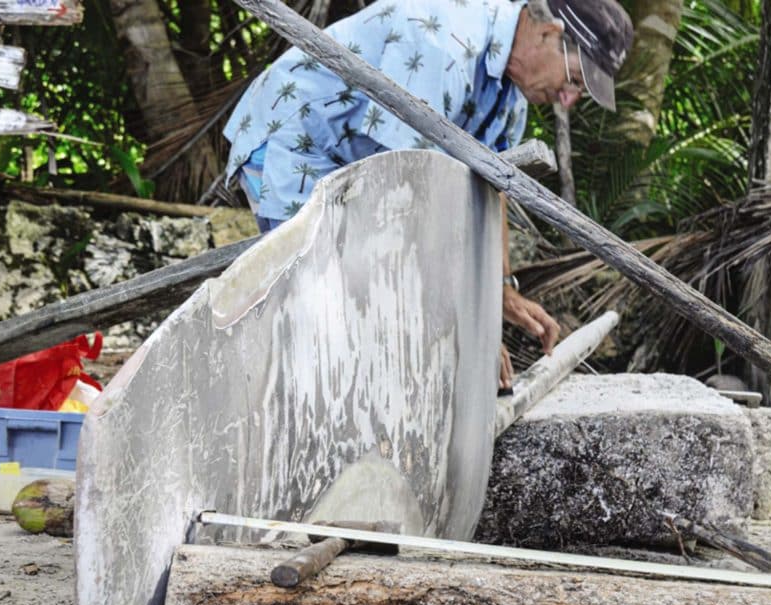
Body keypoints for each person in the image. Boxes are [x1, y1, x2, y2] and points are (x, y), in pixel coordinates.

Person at [224, 0, 633, 387]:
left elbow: (493, 190)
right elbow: (407, 196)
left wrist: (500, 290)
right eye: (575, 80)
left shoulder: (512, 100)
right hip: (295, 139)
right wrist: (466, 327)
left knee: (364, 310)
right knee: (321, 303)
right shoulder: (446, 44)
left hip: (360, 168)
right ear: (548, 33)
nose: (569, 99)